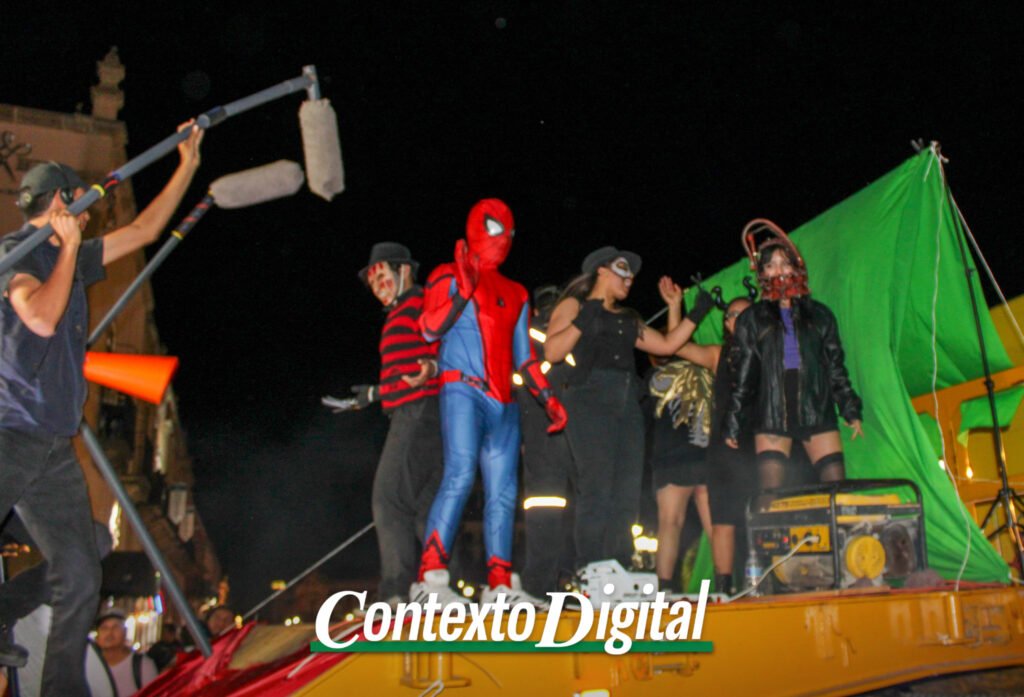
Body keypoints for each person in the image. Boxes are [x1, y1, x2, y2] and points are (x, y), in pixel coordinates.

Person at [0, 123, 203, 696]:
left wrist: (187, 164)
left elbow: (143, 230)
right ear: (61, 203)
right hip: (9, 432)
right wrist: (66, 250)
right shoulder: (17, 253)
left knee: (82, 569)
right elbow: (40, 319)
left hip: (51, 445)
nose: (91, 216)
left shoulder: (73, 253)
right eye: (82, 204)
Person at [411, 199, 567, 609]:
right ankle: (429, 576)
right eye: (496, 228)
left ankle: (499, 583)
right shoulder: (448, 273)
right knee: (460, 474)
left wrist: (548, 397)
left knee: (503, 492)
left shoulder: (516, 292)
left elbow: (525, 358)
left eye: (509, 231)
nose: (503, 238)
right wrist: (461, 293)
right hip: (463, 389)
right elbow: (428, 329)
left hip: (504, 402)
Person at [544, 247, 713, 570]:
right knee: (597, 486)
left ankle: (618, 564)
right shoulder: (574, 305)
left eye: (632, 273)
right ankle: (589, 566)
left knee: (627, 489)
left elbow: (666, 345)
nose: (630, 277)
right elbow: (552, 351)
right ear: (601, 271)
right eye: (623, 268)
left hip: (627, 404)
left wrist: (689, 310)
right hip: (589, 400)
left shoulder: (628, 317)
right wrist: (586, 316)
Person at [724, 220, 863, 504]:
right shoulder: (751, 319)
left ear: (796, 267)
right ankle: (774, 533)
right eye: (770, 265)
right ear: (761, 272)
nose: (779, 271)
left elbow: (835, 366)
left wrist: (850, 408)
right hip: (773, 408)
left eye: (784, 263)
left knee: (838, 492)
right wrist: (734, 420)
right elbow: (744, 374)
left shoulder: (821, 315)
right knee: (770, 495)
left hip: (815, 404)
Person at [349, 242, 443, 606]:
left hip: (418, 412)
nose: (377, 286)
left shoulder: (421, 303)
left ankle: (395, 592)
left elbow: (435, 355)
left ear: (404, 270)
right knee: (424, 511)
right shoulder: (402, 311)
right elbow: (405, 372)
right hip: (422, 413)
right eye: (372, 281)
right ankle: (443, 584)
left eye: (381, 276)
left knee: (389, 500)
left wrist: (432, 367)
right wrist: (375, 394)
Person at [666, 281, 757, 595]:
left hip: (762, 446)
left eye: (744, 315)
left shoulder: (770, 352)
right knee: (723, 521)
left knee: (763, 516)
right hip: (724, 451)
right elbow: (676, 346)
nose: (736, 320)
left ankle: (767, 582)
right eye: (731, 315)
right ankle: (725, 589)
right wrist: (675, 306)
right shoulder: (720, 355)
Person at [517, 284, 575, 598]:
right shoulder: (571, 333)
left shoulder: (525, 336)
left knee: (545, 508)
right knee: (564, 507)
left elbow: (518, 385)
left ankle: (543, 585)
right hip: (565, 430)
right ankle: (561, 579)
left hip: (542, 432)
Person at [85, 610, 158, 697]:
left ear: (125, 632)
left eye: (115, 628)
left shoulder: (143, 665)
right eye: (104, 628)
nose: (109, 633)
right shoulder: (88, 665)